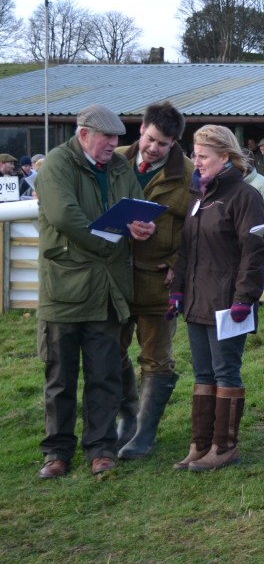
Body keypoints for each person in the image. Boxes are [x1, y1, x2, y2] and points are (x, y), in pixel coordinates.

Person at [35, 104, 156, 479]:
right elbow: (64, 217)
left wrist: (140, 227)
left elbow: (135, 206)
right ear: (84, 134)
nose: (114, 144)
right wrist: (110, 243)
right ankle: (57, 452)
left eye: (117, 137)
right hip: (65, 292)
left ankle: (101, 448)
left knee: (105, 375)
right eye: (107, 137)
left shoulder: (119, 167)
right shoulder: (56, 165)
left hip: (107, 292)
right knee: (61, 378)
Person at [170, 125, 264, 472]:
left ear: (225, 156)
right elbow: (186, 249)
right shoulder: (199, 196)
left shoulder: (244, 196)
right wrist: (177, 289)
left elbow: (253, 252)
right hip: (197, 302)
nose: (196, 162)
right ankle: (201, 443)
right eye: (194, 155)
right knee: (202, 371)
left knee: (226, 370)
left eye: (203, 156)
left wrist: (245, 297)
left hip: (228, 304)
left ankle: (224, 446)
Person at [114, 101, 195, 460]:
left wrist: (180, 263)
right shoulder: (113, 160)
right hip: (112, 279)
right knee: (110, 353)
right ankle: (126, 420)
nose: (153, 148)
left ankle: (145, 434)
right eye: (150, 138)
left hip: (157, 282)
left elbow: (197, 229)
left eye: (163, 143)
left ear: (175, 142)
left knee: (156, 358)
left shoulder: (189, 175)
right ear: (141, 128)